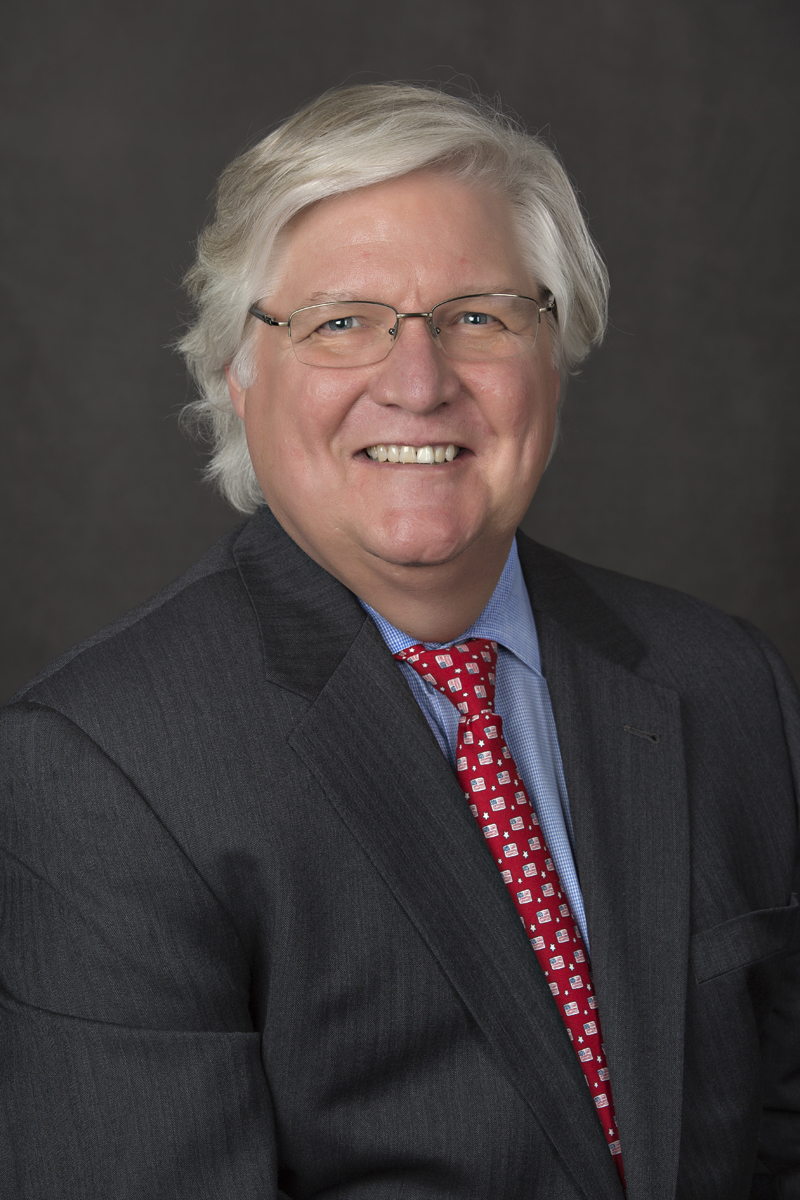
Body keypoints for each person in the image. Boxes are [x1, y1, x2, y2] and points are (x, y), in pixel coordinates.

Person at [1, 84, 798, 1200]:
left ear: (553, 353)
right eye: (341, 322)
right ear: (238, 375)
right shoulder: (101, 768)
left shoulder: (724, 681)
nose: (418, 382)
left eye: (478, 316)